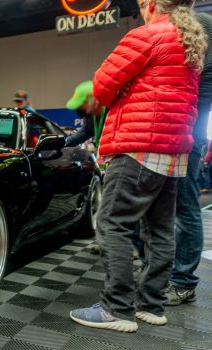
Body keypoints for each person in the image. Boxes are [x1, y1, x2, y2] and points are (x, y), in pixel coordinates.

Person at [70, 0, 206, 332]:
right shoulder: (190, 42)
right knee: (160, 231)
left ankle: (115, 309)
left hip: (138, 147)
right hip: (174, 152)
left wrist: (126, 87)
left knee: (112, 224)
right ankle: (151, 305)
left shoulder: (145, 35)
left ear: (148, 5)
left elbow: (102, 86)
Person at [165, 10, 212, 306]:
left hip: (188, 128)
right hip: (179, 126)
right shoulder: (180, 24)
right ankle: (168, 273)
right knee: (168, 204)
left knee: (184, 205)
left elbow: (202, 85)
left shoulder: (199, 24)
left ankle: (183, 282)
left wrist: (188, 123)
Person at [64, 81, 108, 147]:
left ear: (93, 99)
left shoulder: (113, 113)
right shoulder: (91, 117)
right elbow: (86, 131)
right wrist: (64, 142)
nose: (79, 108)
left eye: (81, 104)